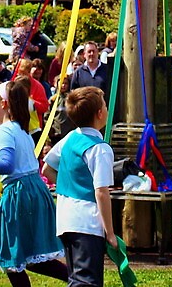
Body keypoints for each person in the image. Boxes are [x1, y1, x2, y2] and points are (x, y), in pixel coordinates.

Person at [0, 81, 68, 287]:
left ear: (3, 104)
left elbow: (7, 165)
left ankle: (79, 280)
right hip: (34, 190)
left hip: (19, 194)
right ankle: (80, 279)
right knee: (32, 255)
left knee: (12, 254)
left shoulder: (4, 131)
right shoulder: (22, 129)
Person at [43, 86, 117, 287]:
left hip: (66, 218)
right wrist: (110, 232)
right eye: (104, 105)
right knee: (87, 282)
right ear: (100, 114)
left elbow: (47, 168)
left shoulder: (70, 138)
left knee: (77, 278)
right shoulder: (100, 149)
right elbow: (101, 192)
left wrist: (70, 185)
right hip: (87, 222)